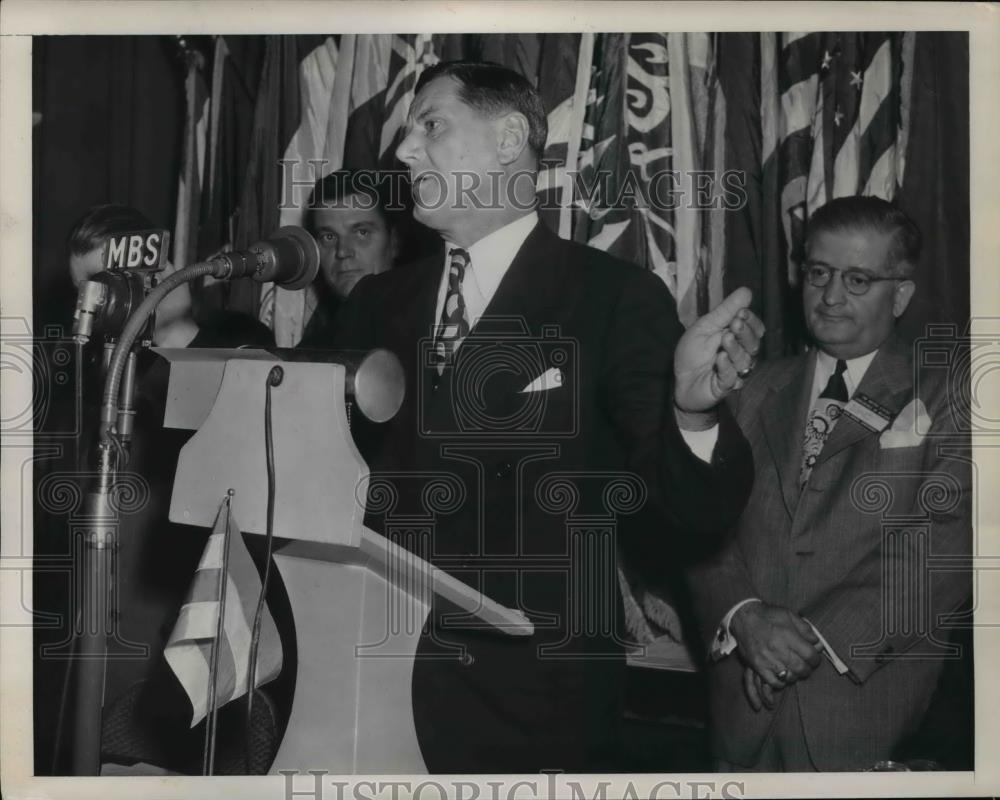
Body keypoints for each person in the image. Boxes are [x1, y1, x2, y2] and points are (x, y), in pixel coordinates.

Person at [334, 60, 762, 773]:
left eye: (430, 126)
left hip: (533, 706)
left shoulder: (611, 297)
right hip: (367, 684)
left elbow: (693, 511)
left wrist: (692, 411)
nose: (404, 151)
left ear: (508, 141)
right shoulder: (375, 306)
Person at [687, 196, 972, 771]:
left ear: (901, 294)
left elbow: (946, 544)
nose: (831, 296)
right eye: (819, 273)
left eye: (858, 279)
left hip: (867, 718)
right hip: (740, 719)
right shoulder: (746, 387)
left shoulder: (951, 395)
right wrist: (744, 615)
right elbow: (696, 522)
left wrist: (807, 639)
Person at [297, 170, 402, 348]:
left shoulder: (433, 331)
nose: (343, 252)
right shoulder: (311, 352)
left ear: (394, 242)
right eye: (329, 237)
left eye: (362, 232)